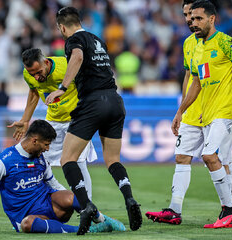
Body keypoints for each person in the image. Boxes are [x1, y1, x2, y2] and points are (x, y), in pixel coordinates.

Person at [45, 6, 142, 235]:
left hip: (93, 102)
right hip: (115, 100)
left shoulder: (74, 40)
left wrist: (62, 88)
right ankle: (129, 198)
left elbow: (77, 56)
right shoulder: (97, 39)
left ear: (62, 27)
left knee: (68, 158)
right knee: (113, 160)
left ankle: (86, 205)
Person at [146, 0, 232, 226]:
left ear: (210, 17)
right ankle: (175, 210)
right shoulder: (193, 45)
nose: (190, 20)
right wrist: (181, 110)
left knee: (221, 159)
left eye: (195, 16)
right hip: (198, 109)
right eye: (188, 16)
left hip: (222, 110)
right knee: (183, 157)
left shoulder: (227, 43)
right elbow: (195, 80)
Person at [0, 120, 126, 234]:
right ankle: (88, 230)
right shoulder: (2, 161)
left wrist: (73, 201)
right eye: (46, 144)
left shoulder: (40, 158)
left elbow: (53, 183)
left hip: (49, 205)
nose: (47, 149)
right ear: (34, 140)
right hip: (26, 215)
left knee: (71, 195)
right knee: (27, 224)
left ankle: (103, 220)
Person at [7, 48, 97, 200]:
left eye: (38, 72)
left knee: (78, 162)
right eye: (32, 74)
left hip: (76, 120)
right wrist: (25, 120)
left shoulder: (66, 66)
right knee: (40, 160)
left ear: (46, 62)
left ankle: (86, 206)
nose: (36, 77)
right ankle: (58, 197)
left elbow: (88, 87)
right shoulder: (28, 74)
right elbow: (34, 93)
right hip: (53, 120)